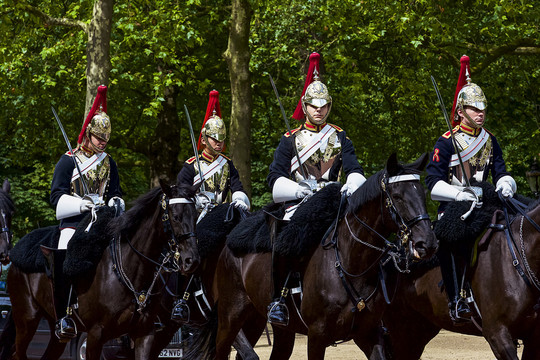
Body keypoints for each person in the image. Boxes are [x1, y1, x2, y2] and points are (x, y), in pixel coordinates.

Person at [266, 52, 366, 325]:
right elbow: (274, 177)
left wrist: (349, 186)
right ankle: (279, 297)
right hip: (300, 201)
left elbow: (355, 169)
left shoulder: (340, 136)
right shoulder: (290, 139)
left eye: (323, 106)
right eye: (313, 106)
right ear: (305, 106)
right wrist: (298, 190)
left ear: (329, 107)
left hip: (334, 200)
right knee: (284, 238)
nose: (319, 110)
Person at [425, 55, 516, 323]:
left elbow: (501, 171)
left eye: (482, 109)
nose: (480, 113)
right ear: (461, 111)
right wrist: (459, 194)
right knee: (452, 240)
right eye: (474, 109)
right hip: (454, 207)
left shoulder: (490, 140)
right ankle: (457, 298)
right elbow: (433, 185)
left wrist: (505, 184)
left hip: (485, 204)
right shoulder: (446, 142)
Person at [47, 85, 123, 340]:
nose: (103, 143)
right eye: (99, 137)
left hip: (102, 220)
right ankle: (64, 314)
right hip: (74, 221)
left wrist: (116, 203)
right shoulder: (68, 160)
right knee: (65, 253)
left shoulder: (109, 162)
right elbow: (56, 197)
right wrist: (80, 204)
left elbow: (115, 192)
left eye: (106, 139)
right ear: (89, 134)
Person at [172, 90, 250, 320]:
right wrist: (196, 200)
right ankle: (181, 300)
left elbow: (238, 188)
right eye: (214, 138)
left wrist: (238, 198)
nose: (219, 142)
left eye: (222, 139)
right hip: (196, 221)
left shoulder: (228, 164)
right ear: (204, 139)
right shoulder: (190, 167)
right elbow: (180, 197)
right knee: (187, 254)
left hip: (223, 217)